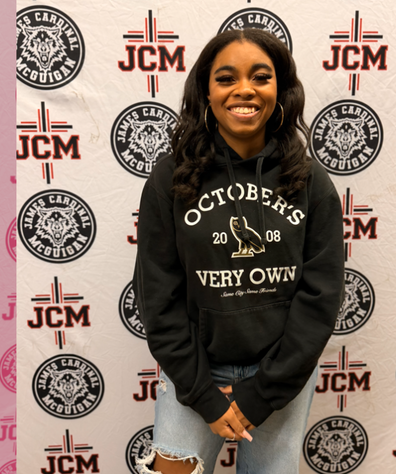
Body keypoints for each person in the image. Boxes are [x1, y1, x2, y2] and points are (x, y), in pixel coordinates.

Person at [133, 29, 345, 474]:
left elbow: (320, 299)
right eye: (226, 78)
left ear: (280, 91)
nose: (244, 89)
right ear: (206, 92)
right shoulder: (171, 180)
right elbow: (158, 297)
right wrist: (204, 396)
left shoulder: (310, 182)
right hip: (196, 370)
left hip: (280, 375)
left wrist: (263, 393)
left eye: (260, 77)